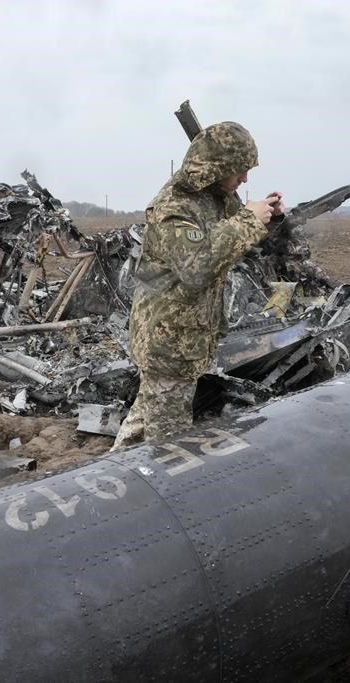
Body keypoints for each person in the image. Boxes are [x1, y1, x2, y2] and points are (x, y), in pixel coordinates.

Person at [111, 121, 283, 450]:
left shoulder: (214, 196)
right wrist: (248, 219)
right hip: (169, 340)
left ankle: (110, 469)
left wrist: (269, 219)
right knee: (169, 445)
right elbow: (196, 267)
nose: (244, 179)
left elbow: (233, 239)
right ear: (217, 168)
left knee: (146, 414)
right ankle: (142, 490)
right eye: (240, 170)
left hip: (186, 336)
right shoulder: (174, 208)